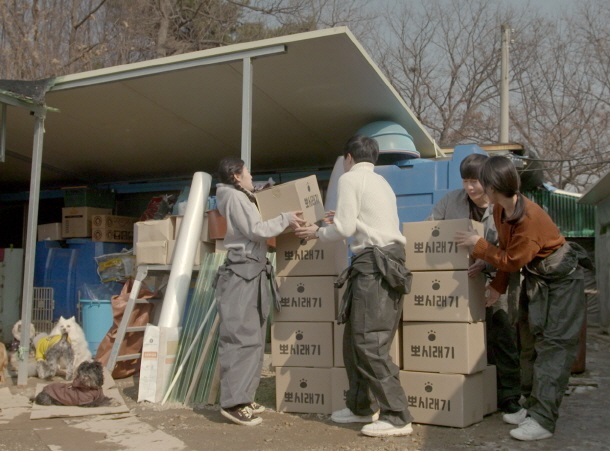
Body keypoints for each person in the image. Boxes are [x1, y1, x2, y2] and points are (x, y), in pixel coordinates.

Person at [455, 155, 588, 441]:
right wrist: (496, 287)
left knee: (554, 348)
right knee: (528, 343)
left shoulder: (529, 217)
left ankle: (543, 420)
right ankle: (530, 406)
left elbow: (513, 260)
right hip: (539, 278)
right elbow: (505, 251)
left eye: (482, 183)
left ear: (494, 186)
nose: (477, 189)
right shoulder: (500, 211)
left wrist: (478, 247)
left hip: (563, 282)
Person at [295, 134, 413, 438]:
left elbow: (345, 229)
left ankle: (397, 415)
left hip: (375, 265)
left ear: (348, 158)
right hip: (383, 262)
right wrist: (339, 223)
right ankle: (360, 405)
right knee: (353, 340)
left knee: (369, 341)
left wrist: (316, 231)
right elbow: (363, 223)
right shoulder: (381, 183)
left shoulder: (349, 180)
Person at [428, 153, 522, 415]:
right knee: (466, 338)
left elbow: (512, 250)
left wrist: (486, 262)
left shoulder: (502, 206)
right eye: (465, 181)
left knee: (500, 335)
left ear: (488, 182)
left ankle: (509, 396)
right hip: (459, 281)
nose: (469, 188)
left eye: (475, 182)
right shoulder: (451, 201)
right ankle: (476, 394)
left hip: (497, 279)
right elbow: (428, 231)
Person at [214, 157, 304, 426]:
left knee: (253, 338)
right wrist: (285, 218)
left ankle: (244, 395)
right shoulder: (234, 197)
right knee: (240, 337)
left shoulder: (241, 196)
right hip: (242, 272)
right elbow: (255, 230)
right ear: (236, 176)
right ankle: (232, 403)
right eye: (248, 172)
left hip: (253, 271)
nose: (252, 176)